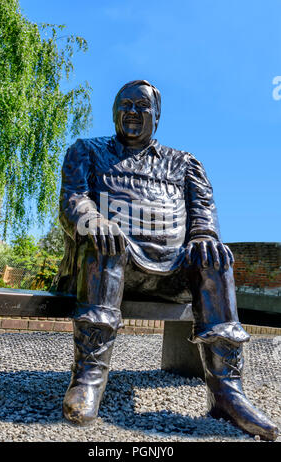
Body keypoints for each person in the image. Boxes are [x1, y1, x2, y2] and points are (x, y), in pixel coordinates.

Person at [53, 80, 278, 440]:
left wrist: (204, 238)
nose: (132, 111)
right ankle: (89, 377)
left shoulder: (185, 163)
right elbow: (73, 201)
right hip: (111, 262)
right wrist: (92, 220)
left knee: (213, 255)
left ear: (157, 116)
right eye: (124, 104)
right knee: (105, 243)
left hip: (173, 271)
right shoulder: (87, 151)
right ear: (114, 112)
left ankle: (228, 392)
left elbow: (204, 214)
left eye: (142, 106)